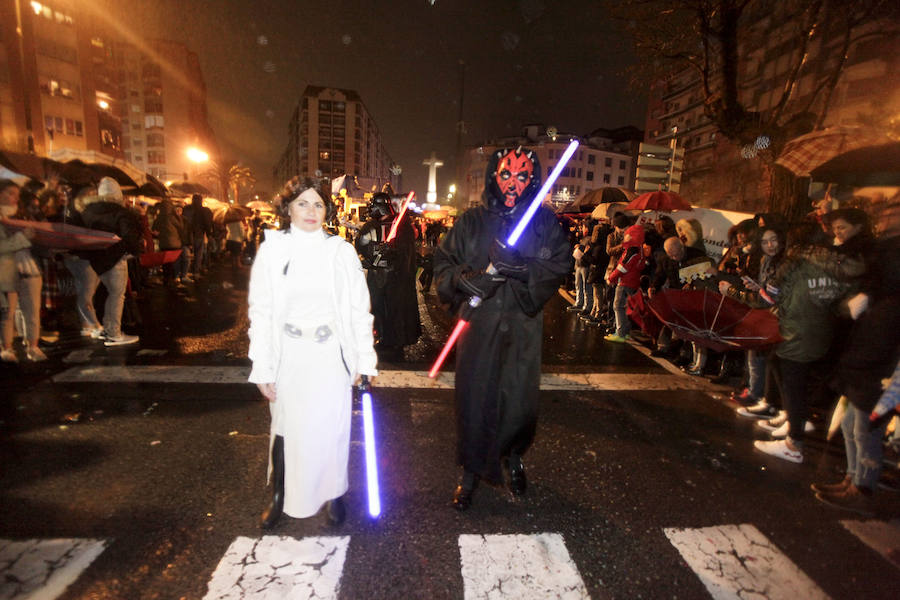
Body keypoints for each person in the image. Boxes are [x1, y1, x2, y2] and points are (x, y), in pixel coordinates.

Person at [433, 146, 572, 510]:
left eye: (523, 175)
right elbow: (443, 263)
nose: (514, 182)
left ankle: (512, 456)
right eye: (506, 174)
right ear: (494, 175)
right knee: (474, 398)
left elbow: (559, 263)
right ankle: (470, 470)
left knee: (518, 400)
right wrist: (467, 281)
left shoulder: (543, 223)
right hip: (479, 325)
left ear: (534, 179)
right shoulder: (471, 222)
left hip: (522, 326)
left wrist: (526, 270)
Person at [247, 177, 378, 529]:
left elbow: (357, 310)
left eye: (318, 204)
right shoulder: (272, 250)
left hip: (328, 356)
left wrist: (364, 360)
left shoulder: (341, 252)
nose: (311, 211)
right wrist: (263, 366)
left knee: (331, 429)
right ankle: (280, 495)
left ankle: (334, 494)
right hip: (289, 355)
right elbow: (260, 311)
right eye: (302, 203)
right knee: (285, 427)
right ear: (287, 207)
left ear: (327, 210)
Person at [72, 177, 143, 346]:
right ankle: (114, 333)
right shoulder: (120, 212)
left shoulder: (87, 212)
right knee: (117, 295)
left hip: (95, 259)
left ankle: (108, 329)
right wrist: (133, 252)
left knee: (105, 294)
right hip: (116, 258)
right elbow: (130, 237)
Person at [355, 192, 421, 358]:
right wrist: (373, 253)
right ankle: (383, 338)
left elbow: (405, 254)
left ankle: (395, 341)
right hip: (377, 277)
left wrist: (392, 252)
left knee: (395, 310)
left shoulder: (401, 227)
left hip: (396, 278)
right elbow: (361, 245)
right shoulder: (371, 226)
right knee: (378, 309)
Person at [0, 180, 43, 363]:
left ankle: (33, 346)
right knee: (7, 312)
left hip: (29, 267)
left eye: (16, 194)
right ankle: (7, 348)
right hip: (6, 270)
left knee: (32, 309)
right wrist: (23, 238)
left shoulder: (23, 214)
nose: (14, 197)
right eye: (10, 193)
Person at [604, 223, 646, 343]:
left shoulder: (631, 250)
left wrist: (611, 278)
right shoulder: (640, 249)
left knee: (618, 306)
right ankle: (625, 331)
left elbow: (622, 267)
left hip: (625, 282)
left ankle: (621, 333)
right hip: (633, 282)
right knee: (625, 307)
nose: (625, 236)